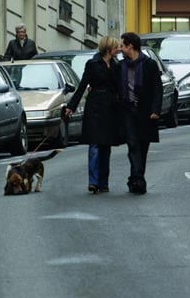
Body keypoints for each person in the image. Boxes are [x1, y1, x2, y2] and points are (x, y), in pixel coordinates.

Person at [65, 36, 120, 194]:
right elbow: (82, 86)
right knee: (94, 145)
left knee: (106, 146)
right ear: (109, 49)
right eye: (116, 47)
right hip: (95, 107)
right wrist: (71, 106)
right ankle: (93, 181)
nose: (118, 50)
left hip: (110, 108)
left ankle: (104, 182)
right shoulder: (93, 64)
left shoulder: (117, 66)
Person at [118, 31, 163, 195]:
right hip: (128, 112)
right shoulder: (121, 66)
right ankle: (139, 180)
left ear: (130, 46)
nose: (120, 49)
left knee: (142, 147)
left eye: (122, 46)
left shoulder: (149, 64)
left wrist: (155, 110)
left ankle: (135, 178)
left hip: (145, 113)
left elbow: (158, 88)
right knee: (133, 145)